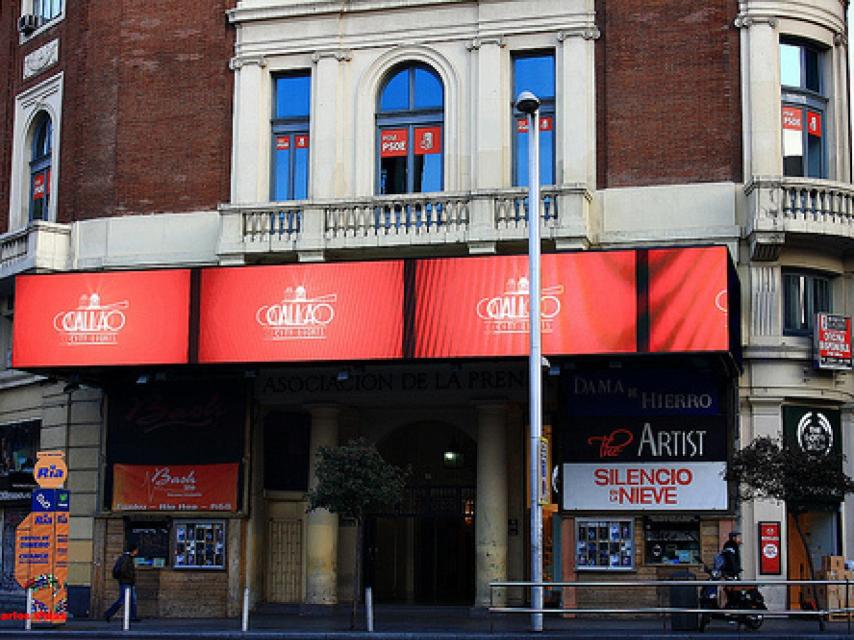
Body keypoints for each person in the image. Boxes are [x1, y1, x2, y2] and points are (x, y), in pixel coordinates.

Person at [104, 543, 140, 623]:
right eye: (136, 551)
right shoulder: (126, 558)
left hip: (128, 582)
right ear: (133, 551)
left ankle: (133, 617)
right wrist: (130, 577)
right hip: (126, 582)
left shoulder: (127, 558)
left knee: (132, 600)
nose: (137, 552)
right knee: (122, 600)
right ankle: (108, 613)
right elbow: (123, 570)